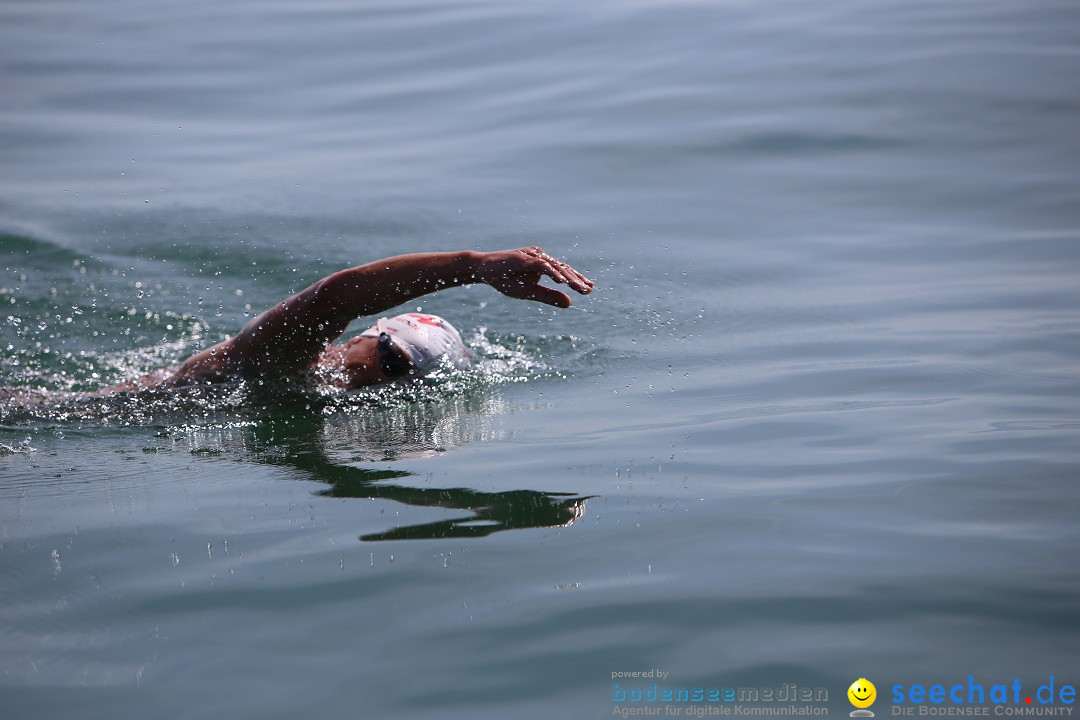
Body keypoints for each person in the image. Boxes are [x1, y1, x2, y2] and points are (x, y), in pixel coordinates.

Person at [132, 246, 593, 391]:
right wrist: (471, 267)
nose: (381, 375)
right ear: (369, 335)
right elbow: (333, 297)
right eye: (388, 355)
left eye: (400, 374)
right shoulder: (282, 360)